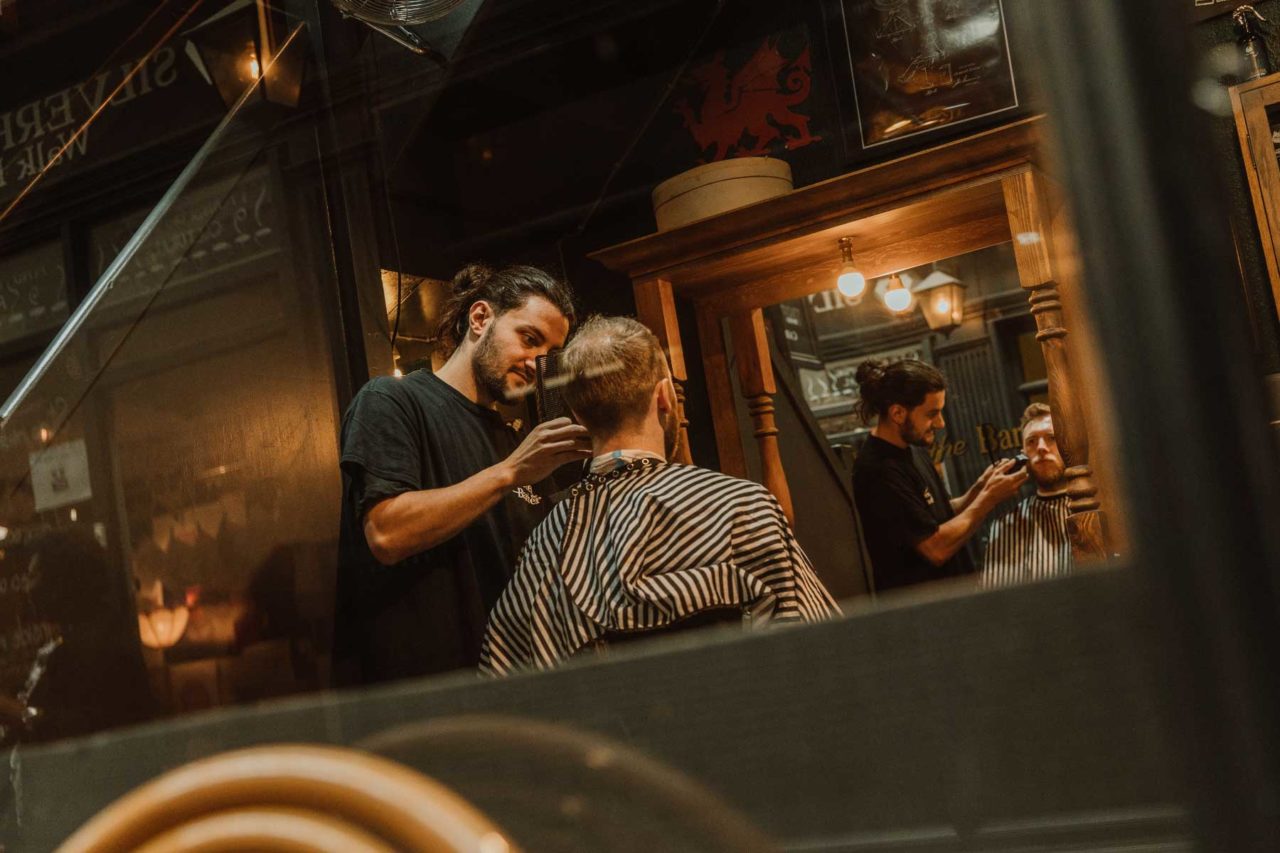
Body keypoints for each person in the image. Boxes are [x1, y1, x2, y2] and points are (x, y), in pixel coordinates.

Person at [479, 316, 839, 676]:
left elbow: (507, 683)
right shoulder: (742, 508)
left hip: (604, 732)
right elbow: (821, 652)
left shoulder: (545, 544)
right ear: (665, 397)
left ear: (576, 413)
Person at [333, 263, 593, 685]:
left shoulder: (516, 443)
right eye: (529, 339)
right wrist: (510, 473)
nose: (536, 365)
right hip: (420, 698)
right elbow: (386, 533)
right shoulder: (391, 401)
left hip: (507, 695)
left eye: (549, 354)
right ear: (480, 318)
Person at [851, 358, 1026, 593]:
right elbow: (935, 548)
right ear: (898, 413)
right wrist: (989, 499)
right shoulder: (877, 469)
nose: (941, 423)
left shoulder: (913, 450)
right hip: (926, 613)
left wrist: (980, 488)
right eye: (932, 414)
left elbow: (937, 516)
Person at [982, 403, 1074, 586]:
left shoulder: (1105, 508)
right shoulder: (1006, 527)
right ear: (1024, 455)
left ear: (1068, 445)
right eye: (1031, 441)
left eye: (1052, 438)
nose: (1041, 447)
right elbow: (1003, 604)